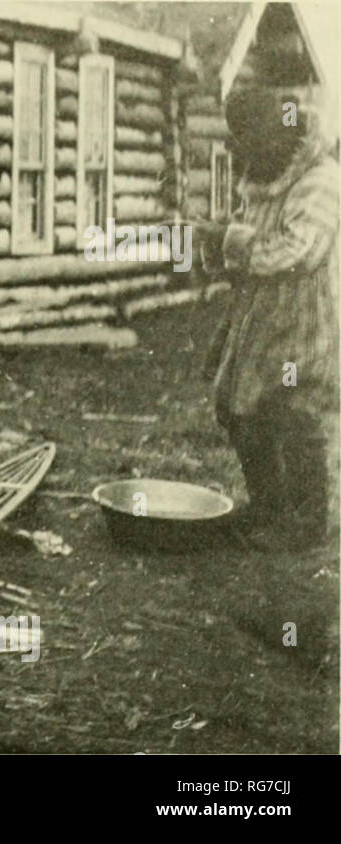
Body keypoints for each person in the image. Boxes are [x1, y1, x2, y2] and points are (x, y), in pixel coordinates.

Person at [193, 86, 340, 551]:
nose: (246, 156)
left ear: (281, 137)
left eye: (253, 143)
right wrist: (217, 237)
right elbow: (247, 227)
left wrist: (231, 242)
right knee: (237, 408)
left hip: (303, 314)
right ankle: (270, 506)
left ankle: (308, 522)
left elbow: (299, 251)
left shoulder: (321, 178)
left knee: (292, 408)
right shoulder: (262, 169)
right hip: (258, 309)